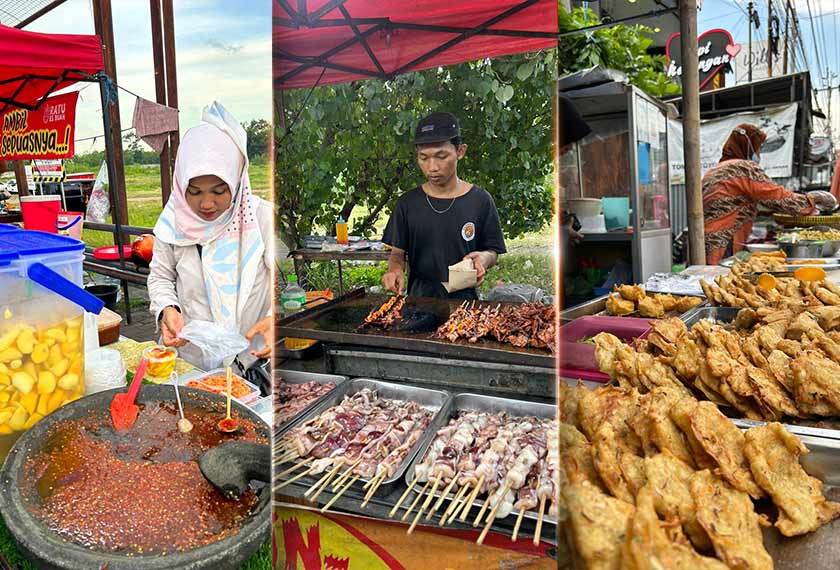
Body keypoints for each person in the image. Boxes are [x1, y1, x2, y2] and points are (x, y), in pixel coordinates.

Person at [148, 102, 273, 367]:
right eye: (194, 192)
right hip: (191, 357)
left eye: (218, 192)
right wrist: (167, 309)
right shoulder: (173, 223)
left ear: (237, 183)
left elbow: (283, 283)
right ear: (181, 186)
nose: (206, 204)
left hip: (250, 357)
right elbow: (160, 277)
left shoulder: (259, 217)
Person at [381, 112, 507, 300]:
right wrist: (394, 269)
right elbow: (398, 253)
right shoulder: (407, 203)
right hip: (419, 302)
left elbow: (492, 252)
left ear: (460, 151)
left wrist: (482, 258)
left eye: (441, 156)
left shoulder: (480, 200)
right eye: (423, 158)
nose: (432, 167)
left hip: (464, 304)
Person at [703, 123, 837, 265]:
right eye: (758, 148)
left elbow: (736, 202)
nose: (759, 154)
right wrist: (814, 199)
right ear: (747, 145)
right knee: (718, 280)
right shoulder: (743, 167)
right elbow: (776, 198)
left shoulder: (714, 170)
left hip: (705, 240)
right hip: (724, 240)